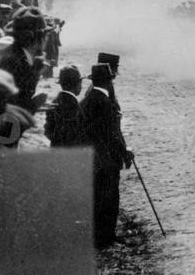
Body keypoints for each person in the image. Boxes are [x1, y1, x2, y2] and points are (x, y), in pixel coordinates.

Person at [81, 63, 133, 248]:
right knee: (109, 198)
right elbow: (111, 132)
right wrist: (124, 151)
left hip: (95, 156)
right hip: (106, 158)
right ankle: (106, 238)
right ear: (108, 81)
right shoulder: (103, 101)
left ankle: (101, 237)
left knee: (100, 197)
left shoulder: (90, 98)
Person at [45, 65, 85, 146]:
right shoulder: (74, 105)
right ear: (77, 84)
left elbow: (47, 131)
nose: (81, 87)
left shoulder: (55, 101)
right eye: (81, 83)